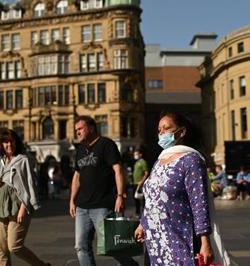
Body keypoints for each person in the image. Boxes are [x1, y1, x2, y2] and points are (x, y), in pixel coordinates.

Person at [134, 111, 215, 266]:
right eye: (159, 130)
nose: (161, 133)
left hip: (180, 238)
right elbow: (152, 198)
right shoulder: (159, 161)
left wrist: (205, 242)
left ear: (182, 132)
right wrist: (142, 224)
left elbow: (199, 203)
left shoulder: (191, 160)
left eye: (166, 128)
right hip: (154, 241)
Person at [68, 116, 135, 266]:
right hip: (82, 207)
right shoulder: (80, 150)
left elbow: (118, 170)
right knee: (81, 246)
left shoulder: (106, 144)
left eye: (80, 129)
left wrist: (120, 195)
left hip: (103, 205)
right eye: (76, 130)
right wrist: (72, 200)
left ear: (91, 128)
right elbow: (77, 176)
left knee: (110, 246)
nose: (77, 132)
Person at [0, 128, 49, 266]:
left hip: (18, 207)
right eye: (5, 142)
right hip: (0, 207)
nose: (9, 145)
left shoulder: (23, 160)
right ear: (1, 145)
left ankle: (40, 265)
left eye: (11, 141)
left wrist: (24, 207)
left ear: (16, 143)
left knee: (15, 246)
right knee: (1, 249)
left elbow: (30, 184)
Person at [132, 149, 149, 216]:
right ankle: (137, 213)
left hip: (140, 184)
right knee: (136, 198)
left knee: (142, 199)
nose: (135, 156)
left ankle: (145, 213)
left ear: (140, 154)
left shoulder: (143, 162)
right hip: (135, 183)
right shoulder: (136, 162)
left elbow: (146, 173)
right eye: (134, 154)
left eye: (136, 154)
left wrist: (142, 181)